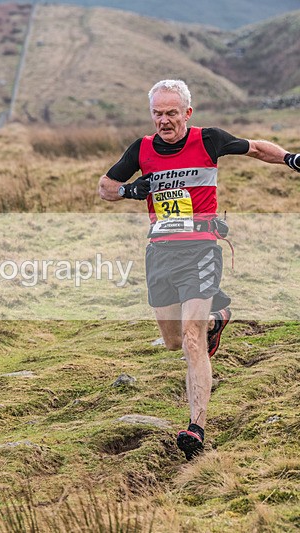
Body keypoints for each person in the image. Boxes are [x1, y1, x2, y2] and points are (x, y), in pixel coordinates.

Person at [98, 79, 300, 460]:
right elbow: (105, 186)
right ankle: (216, 318)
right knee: (174, 340)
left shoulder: (208, 140)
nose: (164, 120)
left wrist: (291, 159)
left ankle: (196, 427)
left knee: (192, 339)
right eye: (157, 113)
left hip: (201, 250)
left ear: (187, 113)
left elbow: (256, 148)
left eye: (171, 113)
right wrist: (130, 191)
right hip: (160, 255)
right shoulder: (141, 149)